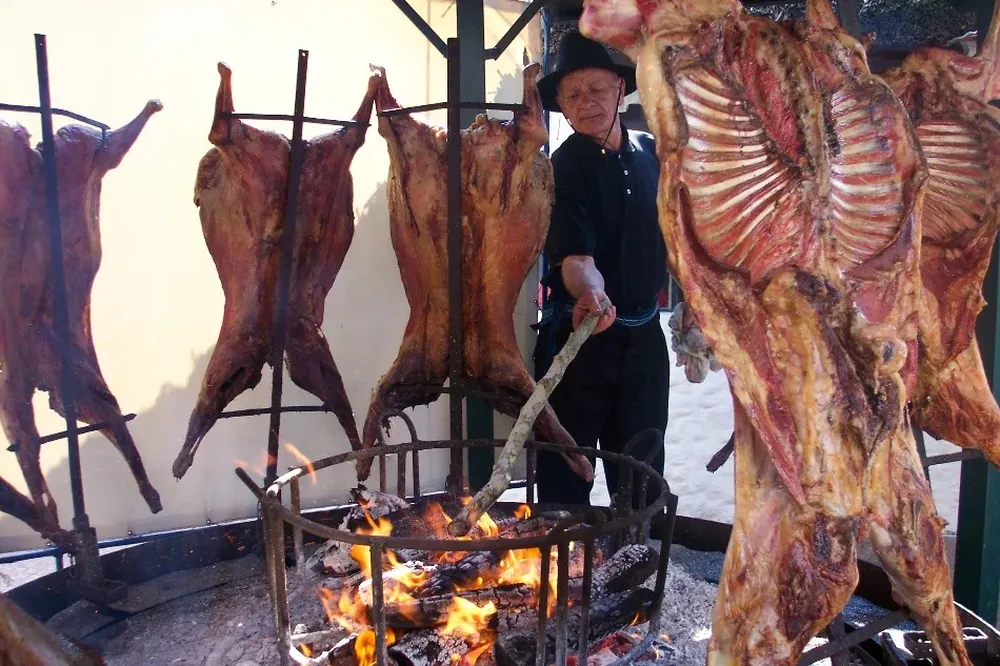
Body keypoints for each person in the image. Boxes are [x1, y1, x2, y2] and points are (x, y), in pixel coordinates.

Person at [532, 32, 672, 513]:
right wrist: (591, 293)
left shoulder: (653, 153)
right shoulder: (564, 167)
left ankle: (639, 560)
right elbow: (576, 259)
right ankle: (561, 567)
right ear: (563, 109)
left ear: (620, 89)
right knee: (566, 465)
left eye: (596, 89)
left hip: (645, 340)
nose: (586, 102)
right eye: (573, 95)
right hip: (581, 335)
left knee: (643, 459)